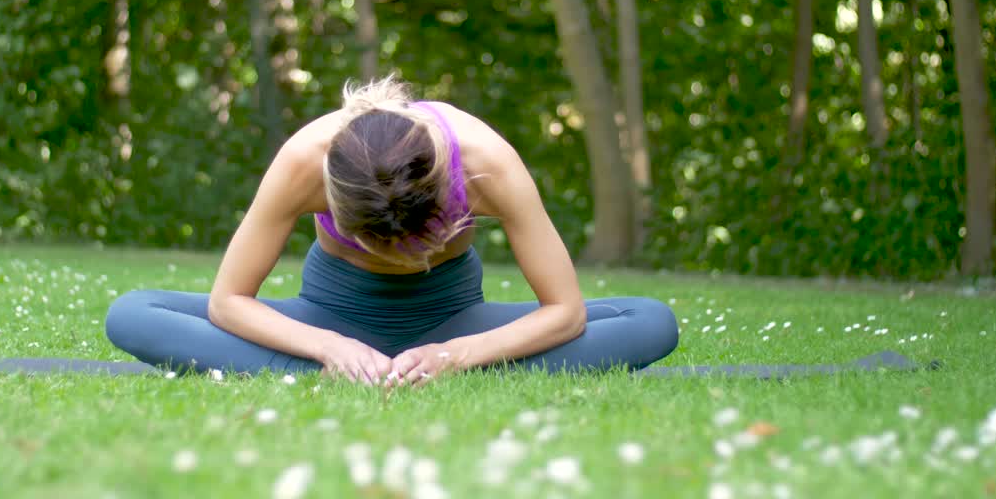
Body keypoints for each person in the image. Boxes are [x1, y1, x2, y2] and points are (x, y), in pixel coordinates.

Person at [105, 76, 678, 386]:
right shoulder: (307, 160)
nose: (400, 258)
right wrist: (329, 347)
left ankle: (377, 373)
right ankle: (347, 369)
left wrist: (460, 355)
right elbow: (229, 302)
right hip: (329, 316)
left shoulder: (486, 164)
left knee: (651, 321)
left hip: (453, 319)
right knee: (131, 313)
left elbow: (566, 312)